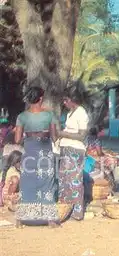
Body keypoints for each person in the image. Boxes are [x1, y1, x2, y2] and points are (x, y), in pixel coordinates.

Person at [14, 86, 59, 227]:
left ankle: (20, 220)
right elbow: (54, 137)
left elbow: (16, 140)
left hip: (29, 151)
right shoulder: (49, 115)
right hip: (45, 152)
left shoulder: (21, 116)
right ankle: (50, 220)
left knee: (26, 183)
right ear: (41, 99)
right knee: (47, 183)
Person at [58, 86, 90, 221]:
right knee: (65, 180)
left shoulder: (81, 113)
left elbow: (82, 135)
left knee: (74, 181)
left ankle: (76, 212)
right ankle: (66, 210)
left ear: (73, 99)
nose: (64, 103)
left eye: (66, 100)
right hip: (67, 148)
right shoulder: (71, 112)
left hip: (75, 150)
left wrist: (62, 133)